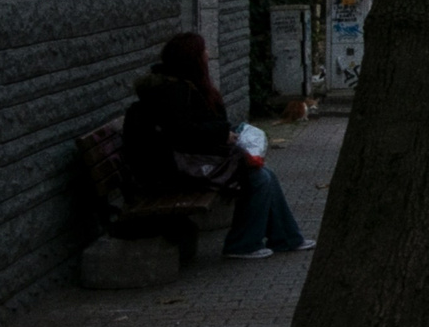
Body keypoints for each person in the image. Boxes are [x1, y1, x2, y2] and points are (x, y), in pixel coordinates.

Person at [123, 32, 313, 260]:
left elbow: (191, 130)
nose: (208, 54)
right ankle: (243, 243)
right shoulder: (174, 92)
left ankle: (286, 238)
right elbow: (183, 134)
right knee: (258, 178)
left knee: (263, 174)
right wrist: (223, 135)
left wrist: (225, 133)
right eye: (203, 51)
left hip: (177, 163)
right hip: (169, 172)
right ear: (192, 58)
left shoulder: (179, 86)